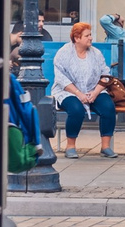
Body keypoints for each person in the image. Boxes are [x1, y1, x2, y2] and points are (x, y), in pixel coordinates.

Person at [49, 20, 119, 158]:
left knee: (108, 108)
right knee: (76, 110)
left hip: (94, 89)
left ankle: (105, 147)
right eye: (87, 35)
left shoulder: (96, 53)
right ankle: (70, 147)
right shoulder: (63, 53)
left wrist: (95, 92)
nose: (91, 38)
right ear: (77, 38)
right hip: (67, 91)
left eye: (90, 35)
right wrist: (78, 94)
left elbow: (105, 75)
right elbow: (61, 78)